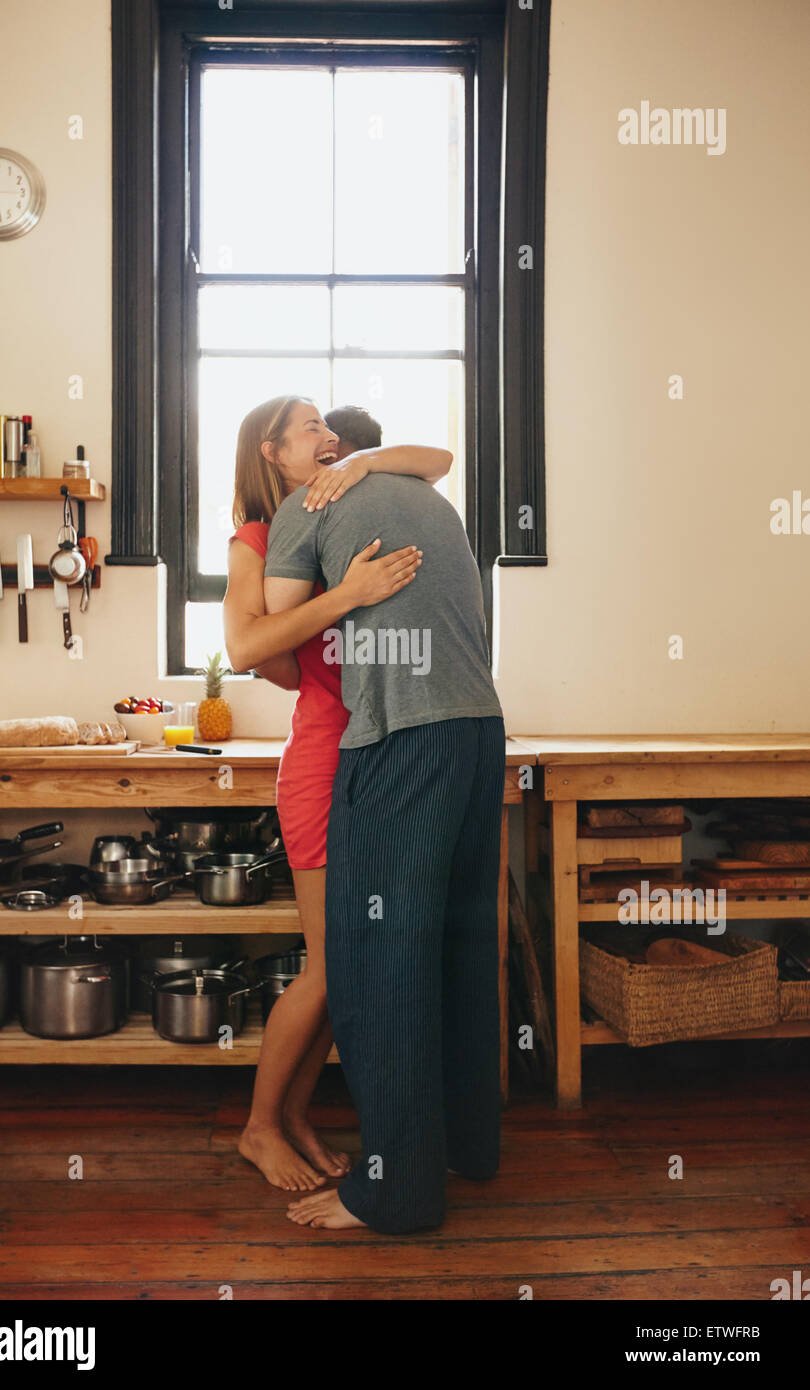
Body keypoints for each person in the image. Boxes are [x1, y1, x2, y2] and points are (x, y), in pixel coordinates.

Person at [263, 467, 506, 1233]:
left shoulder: (310, 503)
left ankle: (395, 1190)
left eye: (324, 434)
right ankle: (468, 1146)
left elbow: (270, 634)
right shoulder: (432, 498)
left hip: (400, 736)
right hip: (479, 729)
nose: (323, 446)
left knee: (379, 963)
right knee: (462, 945)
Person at [223, 395, 451, 1192]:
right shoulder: (257, 539)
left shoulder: (334, 514)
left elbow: (438, 462)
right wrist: (348, 597)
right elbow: (252, 647)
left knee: (344, 965)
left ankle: (291, 1117)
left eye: (332, 429)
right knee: (329, 968)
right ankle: (257, 1128)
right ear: (270, 454)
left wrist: (360, 463)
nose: (331, 438)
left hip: (370, 753)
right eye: (313, 429)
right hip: (322, 762)